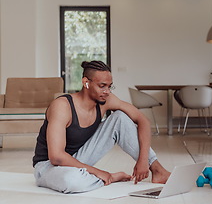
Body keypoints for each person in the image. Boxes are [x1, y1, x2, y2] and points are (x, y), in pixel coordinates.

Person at [32, 60, 170, 193]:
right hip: (49, 166)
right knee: (71, 180)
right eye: (102, 86)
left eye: (110, 86)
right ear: (86, 83)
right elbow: (56, 157)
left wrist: (143, 160)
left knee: (120, 118)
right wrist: (100, 172)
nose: (107, 91)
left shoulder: (106, 100)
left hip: (78, 159)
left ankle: (158, 170)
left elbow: (143, 120)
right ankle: (108, 178)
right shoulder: (62, 106)